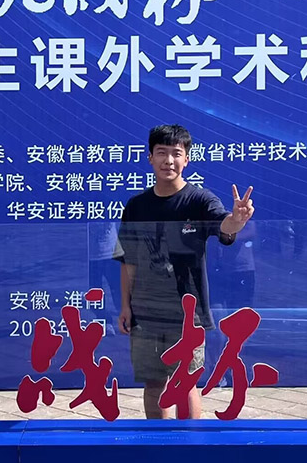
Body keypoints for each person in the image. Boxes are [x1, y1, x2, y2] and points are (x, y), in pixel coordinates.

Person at [114, 124, 254, 419]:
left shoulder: (200, 200)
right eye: (161, 153)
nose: (169, 161)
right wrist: (125, 305)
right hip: (146, 311)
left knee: (185, 382)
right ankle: (157, 441)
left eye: (176, 154)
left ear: (186, 159)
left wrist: (237, 220)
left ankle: (190, 442)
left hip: (188, 313)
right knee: (154, 384)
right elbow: (129, 261)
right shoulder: (136, 206)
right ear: (150, 157)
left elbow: (224, 225)